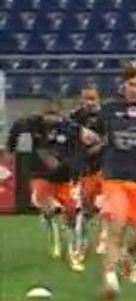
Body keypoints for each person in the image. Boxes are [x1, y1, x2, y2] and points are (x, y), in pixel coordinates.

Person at [82, 63, 136, 301]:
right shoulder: (109, 111)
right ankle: (110, 280)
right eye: (131, 84)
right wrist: (84, 134)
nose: (134, 89)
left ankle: (126, 256)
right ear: (123, 86)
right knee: (116, 226)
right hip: (115, 179)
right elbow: (85, 128)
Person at [4, 98, 83, 268]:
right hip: (40, 173)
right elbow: (17, 128)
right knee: (46, 202)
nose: (51, 119)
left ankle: (73, 244)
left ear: (62, 114)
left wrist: (72, 167)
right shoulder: (32, 123)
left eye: (55, 115)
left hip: (64, 175)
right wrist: (10, 148)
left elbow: (79, 151)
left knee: (70, 211)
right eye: (48, 114)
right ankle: (54, 233)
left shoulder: (71, 128)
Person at [70, 84, 105, 255]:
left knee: (110, 207)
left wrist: (99, 143)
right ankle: (81, 242)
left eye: (92, 98)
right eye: (86, 99)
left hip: (107, 168)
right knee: (86, 208)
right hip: (87, 169)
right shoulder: (74, 118)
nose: (89, 102)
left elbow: (113, 137)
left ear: (99, 98)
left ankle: (104, 240)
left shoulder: (107, 116)